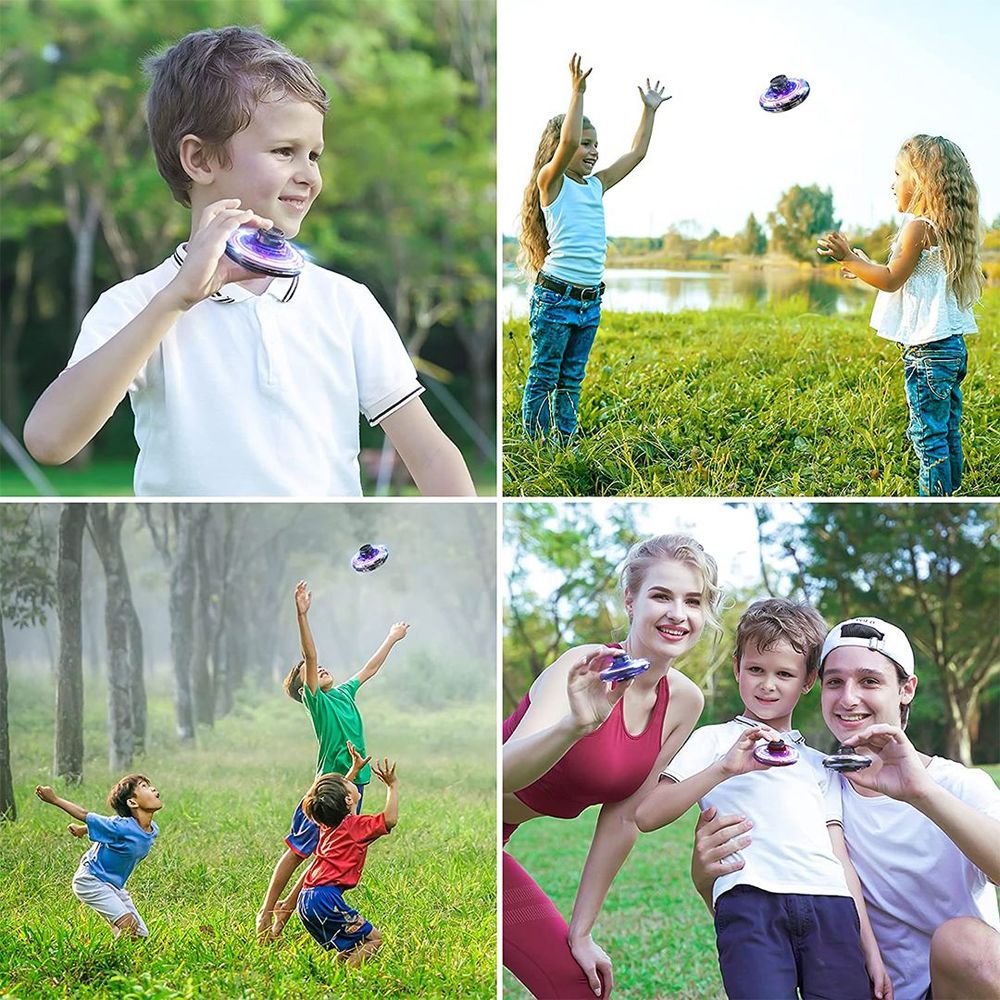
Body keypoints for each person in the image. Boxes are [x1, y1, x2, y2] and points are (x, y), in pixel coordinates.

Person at [22, 25, 475, 498]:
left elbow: (430, 454)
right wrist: (175, 301)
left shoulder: (345, 303)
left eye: (314, 155)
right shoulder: (137, 303)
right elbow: (50, 441)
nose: (309, 176)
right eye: (284, 151)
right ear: (199, 160)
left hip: (317, 560)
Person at [692, 616, 1000, 1000]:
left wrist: (922, 793)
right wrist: (705, 878)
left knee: (967, 943)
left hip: (951, 988)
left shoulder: (958, 785)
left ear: (906, 689)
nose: (848, 698)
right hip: (858, 986)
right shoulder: (813, 786)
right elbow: (763, 914)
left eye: (869, 681)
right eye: (834, 682)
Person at [636, 599, 888, 1000]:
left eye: (784, 674)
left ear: (808, 681)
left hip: (831, 907)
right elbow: (646, 815)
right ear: (737, 667)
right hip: (750, 904)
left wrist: (870, 951)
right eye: (756, 669)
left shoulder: (821, 764)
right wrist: (725, 768)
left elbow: (840, 857)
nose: (767, 684)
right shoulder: (713, 741)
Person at [503, 534, 715, 998]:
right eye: (661, 595)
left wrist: (582, 931)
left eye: (693, 600)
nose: (678, 613)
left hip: (502, 835)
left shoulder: (684, 702)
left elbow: (623, 817)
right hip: (474, 824)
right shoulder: (583, 666)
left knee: (581, 986)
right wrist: (574, 726)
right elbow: (495, 775)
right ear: (630, 600)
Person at [817, 136, 983, 496]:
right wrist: (862, 267)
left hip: (927, 353)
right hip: (952, 348)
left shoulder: (917, 227)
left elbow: (891, 280)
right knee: (948, 425)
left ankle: (934, 496)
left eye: (897, 174)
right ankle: (951, 489)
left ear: (921, 181)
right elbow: (907, 279)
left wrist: (848, 258)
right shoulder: (947, 228)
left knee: (927, 434)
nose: (891, 184)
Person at [518, 54, 668, 439]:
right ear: (561, 148)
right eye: (586, 144)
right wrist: (577, 92)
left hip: (589, 301)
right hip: (555, 299)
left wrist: (648, 111)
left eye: (596, 144)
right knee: (544, 375)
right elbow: (566, 141)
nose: (593, 151)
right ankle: (538, 445)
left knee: (571, 379)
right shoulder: (551, 182)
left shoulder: (596, 186)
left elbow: (636, 154)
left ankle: (564, 443)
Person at [256, 579, 408, 940]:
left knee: (325, 856)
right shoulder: (317, 702)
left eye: (320, 668)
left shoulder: (344, 693)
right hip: (327, 789)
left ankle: (284, 917)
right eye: (309, 671)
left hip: (354, 786)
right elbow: (310, 655)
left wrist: (392, 637)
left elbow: (369, 669)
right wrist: (302, 615)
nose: (320, 668)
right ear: (302, 686)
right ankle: (267, 912)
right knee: (298, 851)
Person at [285, 756, 399, 963]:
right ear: (347, 800)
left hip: (306, 899)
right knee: (374, 939)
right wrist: (392, 786)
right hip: (325, 899)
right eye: (349, 784)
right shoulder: (357, 827)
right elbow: (390, 819)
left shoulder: (328, 824)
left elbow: (334, 801)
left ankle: (334, 978)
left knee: (352, 945)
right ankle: (349, 981)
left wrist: (353, 772)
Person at [35, 774, 162, 938]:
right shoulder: (120, 826)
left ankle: (118, 943)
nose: (152, 788)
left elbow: (109, 827)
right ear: (132, 802)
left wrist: (83, 829)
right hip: (91, 879)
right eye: (144, 786)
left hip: (114, 886)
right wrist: (54, 799)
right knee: (129, 926)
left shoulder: (152, 829)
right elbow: (84, 814)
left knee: (140, 935)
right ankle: (105, 959)